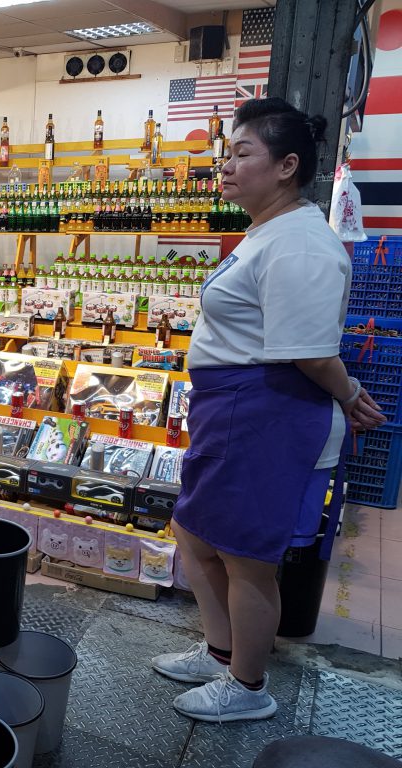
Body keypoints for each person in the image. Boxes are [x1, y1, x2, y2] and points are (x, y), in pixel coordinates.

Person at [151, 98, 385, 722]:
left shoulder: (301, 244)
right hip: (233, 408)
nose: (225, 168)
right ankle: (222, 650)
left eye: (241, 154)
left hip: (268, 412)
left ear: (286, 166)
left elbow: (308, 352)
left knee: (247, 557)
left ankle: (248, 687)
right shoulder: (269, 233)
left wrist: (350, 394)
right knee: (196, 534)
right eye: (226, 154)